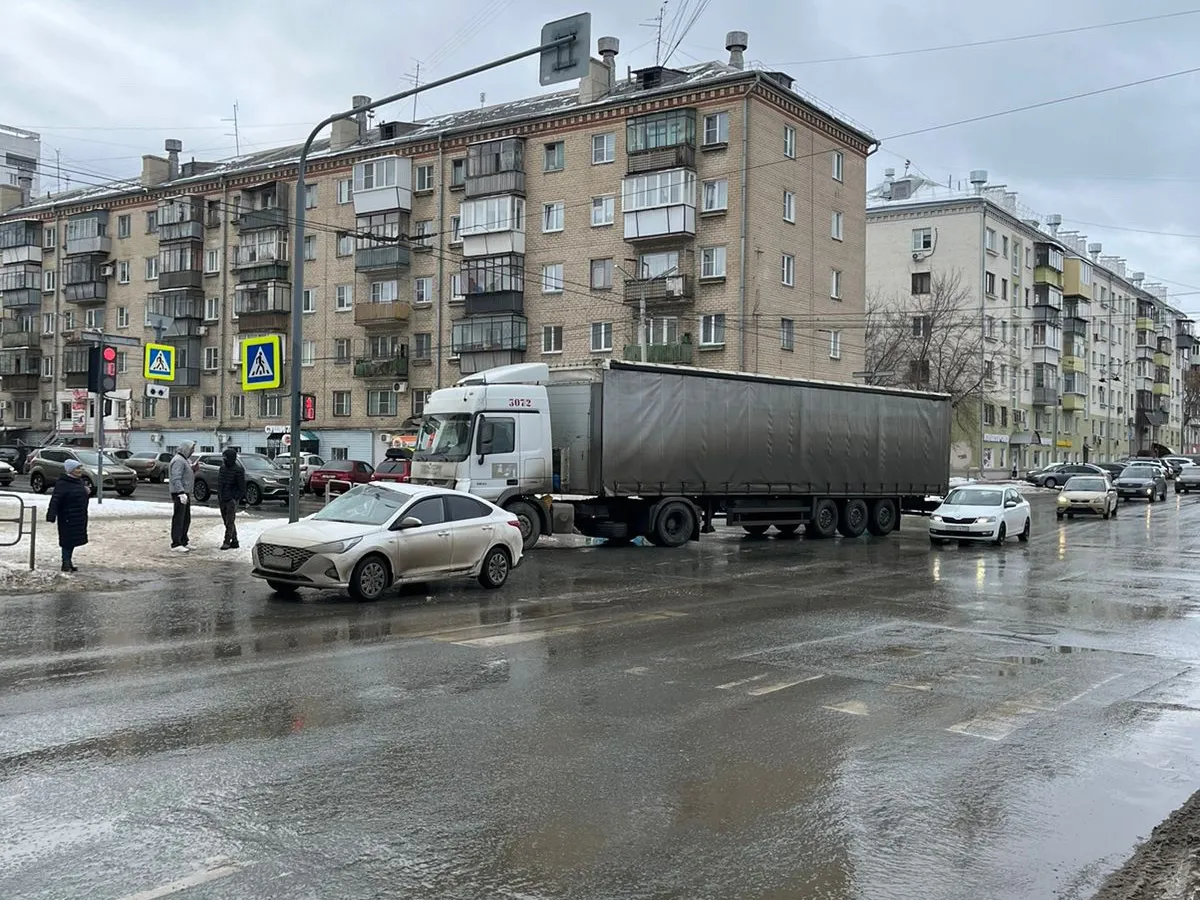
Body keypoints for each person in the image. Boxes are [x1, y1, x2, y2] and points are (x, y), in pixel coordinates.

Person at [46, 459, 89, 573]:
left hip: (78, 516)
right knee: (67, 541)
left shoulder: (78, 482)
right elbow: (55, 499)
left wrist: (86, 491)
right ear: (70, 470)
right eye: (77, 468)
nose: (79, 471)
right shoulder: (63, 483)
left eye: (80, 468)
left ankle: (68, 562)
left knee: (72, 541)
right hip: (68, 517)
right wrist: (51, 515)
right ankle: (65, 563)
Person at [217, 447, 246, 550]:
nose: (224, 459)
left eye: (226, 457)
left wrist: (235, 498)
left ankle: (227, 541)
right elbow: (220, 483)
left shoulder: (238, 470)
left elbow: (242, 487)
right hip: (222, 498)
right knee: (227, 521)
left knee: (230, 521)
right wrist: (220, 496)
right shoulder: (223, 468)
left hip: (231, 499)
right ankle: (235, 540)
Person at [169, 440, 196, 552]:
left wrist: (193, 469)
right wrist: (180, 493)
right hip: (180, 494)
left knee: (186, 518)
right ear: (186, 448)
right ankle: (176, 543)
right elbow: (176, 478)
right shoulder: (178, 461)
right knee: (179, 518)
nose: (193, 451)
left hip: (185, 493)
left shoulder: (184, 460)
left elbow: (184, 475)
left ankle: (184, 540)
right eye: (191, 449)